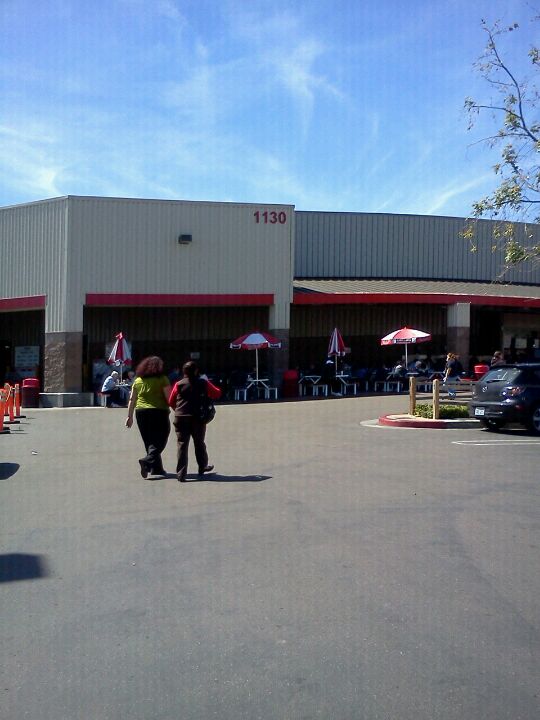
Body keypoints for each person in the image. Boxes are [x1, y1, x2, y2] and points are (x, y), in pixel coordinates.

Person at [168, 361, 222, 482]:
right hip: (197, 417)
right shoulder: (203, 382)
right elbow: (217, 393)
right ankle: (202, 466)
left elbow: (171, 401)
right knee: (199, 443)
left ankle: (181, 473)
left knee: (182, 444)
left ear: (184, 372)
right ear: (196, 371)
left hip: (181, 417)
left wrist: (178, 410)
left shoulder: (178, 384)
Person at [125, 356, 171, 478]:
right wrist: (177, 410)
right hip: (159, 411)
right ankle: (147, 461)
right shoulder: (162, 379)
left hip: (141, 412)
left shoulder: (138, 380)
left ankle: (156, 469)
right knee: (161, 439)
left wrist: (129, 416)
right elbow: (169, 398)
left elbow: (132, 399)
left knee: (149, 441)